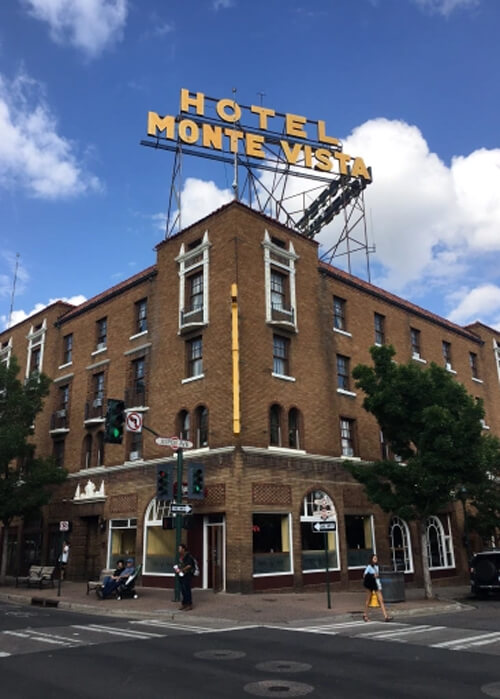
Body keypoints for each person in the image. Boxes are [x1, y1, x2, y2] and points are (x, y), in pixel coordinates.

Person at [363, 554, 392, 622]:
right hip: (371, 584)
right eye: (374, 559)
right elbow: (364, 575)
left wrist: (376, 576)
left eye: (376, 558)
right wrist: (373, 575)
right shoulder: (369, 567)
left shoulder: (377, 566)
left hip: (377, 584)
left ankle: (386, 616)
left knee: (381, 600)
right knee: (368, 600)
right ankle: (365, 615)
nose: (376, 560)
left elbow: (377, 575)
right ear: (371, 560)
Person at [175, 543, 195, 611]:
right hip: (181, 575)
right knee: (183, 590)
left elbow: (189, 565)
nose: (179, 550)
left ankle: (189, 604)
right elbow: (180, 564)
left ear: (183, 549)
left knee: (187, 589)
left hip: (187, 575)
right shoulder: (181, 556)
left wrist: (182, 569)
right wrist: (177, 569)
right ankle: (184, 604)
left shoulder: (188, 556)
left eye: (180, 548)